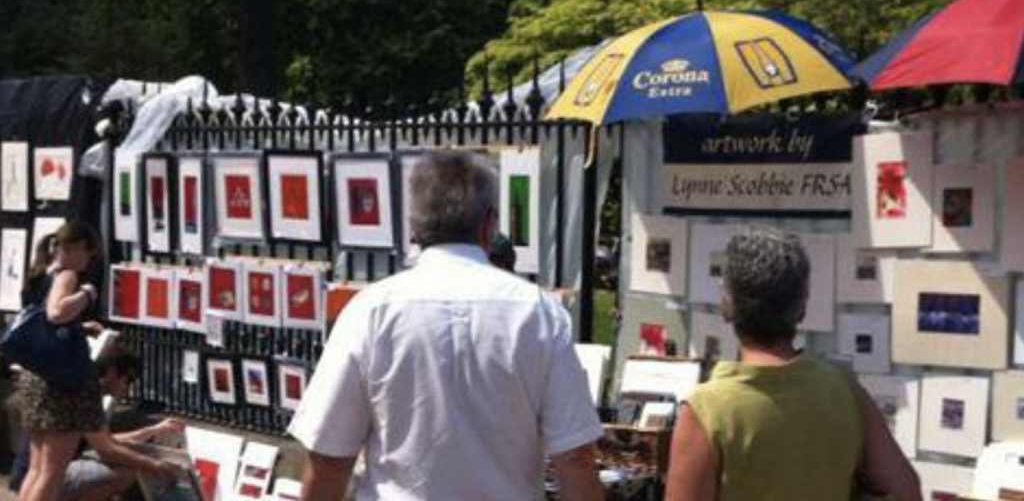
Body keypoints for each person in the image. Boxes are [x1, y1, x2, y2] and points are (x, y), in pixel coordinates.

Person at [290, 151, 605, 501]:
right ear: (489, 224)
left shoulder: (370, 310)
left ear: (414, 228)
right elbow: (575, 457)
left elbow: (331, 456)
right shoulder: (539, 312)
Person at [665, 226, 921, 501]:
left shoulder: (707, 410)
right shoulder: (844, 389)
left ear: (728, 302)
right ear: (802, 306)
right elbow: (906, 490)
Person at [12, 342, 182, 500]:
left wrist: (154, 430)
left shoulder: (79, 383)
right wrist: (155, 465)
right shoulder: (88, 393)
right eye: (129, 379)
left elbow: (107, 441)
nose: (128, 387)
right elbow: (107, 450)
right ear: (112, 372)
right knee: (124, 474)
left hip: (25, 474)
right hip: (45, 477)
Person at [16, 221, 105, 501]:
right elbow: (56, 314)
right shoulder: (68, 276)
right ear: (80, 249)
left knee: (38, 468)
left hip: (37, 377)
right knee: (52, 471)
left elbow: (46, 321)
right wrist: (86, 294)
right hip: (60, 383)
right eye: (88, 252)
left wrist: (79, 326)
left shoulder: (43, 273)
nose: (88, 258)